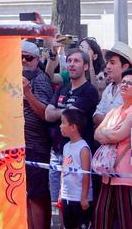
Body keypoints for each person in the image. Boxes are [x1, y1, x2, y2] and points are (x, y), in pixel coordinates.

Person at [46, 47, 99, 205]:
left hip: (78, 155)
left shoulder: (90, 91)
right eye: (69, 61)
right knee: (59, 203)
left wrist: (60, 111)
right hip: (57, 152)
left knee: (78, 204)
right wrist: (64, 111)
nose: (71, 64)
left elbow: (69, 115)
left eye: (76, 61)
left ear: (86, 66)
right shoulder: (63, 88)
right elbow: (48, 115)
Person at [21, 39, 55, 229]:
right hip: (22, 145)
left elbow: (45, 113)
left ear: (37, 59)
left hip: (36, 146)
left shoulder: (40, 79)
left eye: (28, 58)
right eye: (19, 57)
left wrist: (27, 93)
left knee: (36, 196)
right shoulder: (18, 78)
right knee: (27, 195)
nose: (24, 61)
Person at [92, 67, 132, 227]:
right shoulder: (114, 111)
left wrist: (107, 134)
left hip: (125, 176)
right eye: (123, 81)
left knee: (126, 220)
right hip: (107, 173)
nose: (124, 85)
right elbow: (96, 134)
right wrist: (110, 134)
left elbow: (116, 135)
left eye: (129, 83)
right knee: (101, 216)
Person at [60, 107, 92, 228]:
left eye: (63, 123)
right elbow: (63, 170)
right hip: (67, 196)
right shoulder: (66, 147)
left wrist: (84, 197)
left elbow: (86, 174)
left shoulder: (83, 148)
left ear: (73, 127)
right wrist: (60, 193)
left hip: (80, 198)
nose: (60, 126)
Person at [94, 41, 132, 128]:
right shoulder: (108, 89)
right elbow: (96, 116)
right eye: (107, 62)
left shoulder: (130, 90)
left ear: (125, 66)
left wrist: (105, 123)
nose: (107, 66)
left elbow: (126, 122)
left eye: (112, 62)